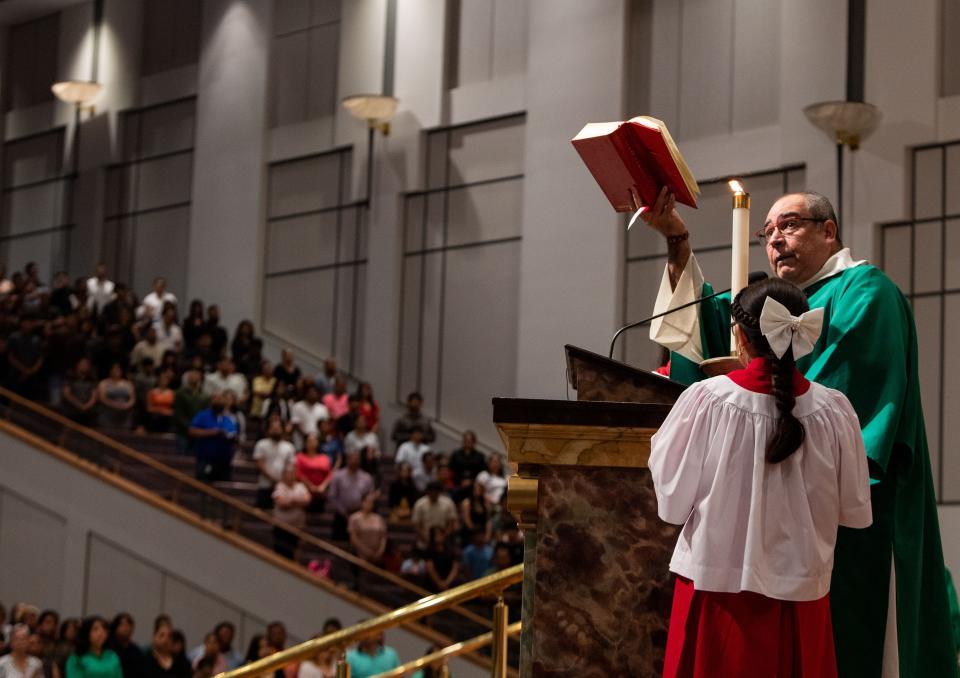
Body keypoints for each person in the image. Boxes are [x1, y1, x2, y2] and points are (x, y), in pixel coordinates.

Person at [642, 188, 959, 677]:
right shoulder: (773, 305)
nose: (775, 241)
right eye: (766, 233)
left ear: (827, 231)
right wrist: (678, 245)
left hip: (842, 526)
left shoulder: (865, 292)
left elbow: (836, 402)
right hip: (774, 526)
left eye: (788, 225)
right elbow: (708, 323)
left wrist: (746, 386)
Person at [649, 277, 874, 677]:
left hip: (717, 593)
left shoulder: (707, 400)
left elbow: (671, 502)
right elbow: (853, 509)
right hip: (801, 596)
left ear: (740, 337)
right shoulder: (835, 411)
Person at [190, 392, 238, 483]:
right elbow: (192, 431)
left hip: (224, 460)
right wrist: (212, 432)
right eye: (216, 399)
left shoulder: (228, 418)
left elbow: (234, 434)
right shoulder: (203, 415)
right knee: (203, 484)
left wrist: (231, 437)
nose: (219, 401)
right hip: (205, 458)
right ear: (211, 400)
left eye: (221, 399)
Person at [327, 450, 375, 541]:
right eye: (352, 459)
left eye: (357, 460)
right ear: (347, 460)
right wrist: (343, 511)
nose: (354, 462)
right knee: (339, 543)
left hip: (361, 515)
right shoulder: (338, 476)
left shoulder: (366, 477)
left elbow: (370, 495)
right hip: (342, 515)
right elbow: (332, 496)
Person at [253, 419, 297, 509]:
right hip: (265, 484)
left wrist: (282, 480)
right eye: (273, 428)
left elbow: (291, 466)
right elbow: (259, 464)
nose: (275, 430)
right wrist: (273, 479)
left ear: (282, 429)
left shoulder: (289, 446)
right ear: (269, 429)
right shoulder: (261, 444)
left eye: (278, 428)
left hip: (283, 486)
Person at [272, 464, 311, 559]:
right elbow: (282, 503)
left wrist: (291, 501)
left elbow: (307, 500)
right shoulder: (279, 486)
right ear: (284, 475)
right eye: (289, 473)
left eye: (293, 473)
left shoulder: (301, 486)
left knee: (293, 554)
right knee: (280, 554)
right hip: (281, 527)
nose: (291, 475)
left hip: (297, 527)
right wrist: (297, 502)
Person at [412, 480, 459, 551]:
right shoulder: (420, 504)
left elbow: (452, 523)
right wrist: (424, 538)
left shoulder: (448, 503)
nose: (433, 494)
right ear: (427, 491)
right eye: (431, 491)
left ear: (439, 492)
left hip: (443, 539)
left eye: (436, 491)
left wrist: (443, 537)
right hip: (424, 539)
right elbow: (416, 524)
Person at [6, 315, 45, 399]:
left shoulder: (37, 339)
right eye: (25, 322)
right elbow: (10, 356)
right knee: (11, 395)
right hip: (15, 372)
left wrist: (32, 370)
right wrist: (24, 370)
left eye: (30, 323)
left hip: (32, 374)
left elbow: (40, 357)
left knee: (29, 398)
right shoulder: (14, 337)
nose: (27, 325)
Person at [173, 370, 209, 455]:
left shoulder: (204, 396)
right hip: (183, 431)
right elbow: (178, 413)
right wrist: (189, 427)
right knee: (181, 457)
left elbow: (205, 413)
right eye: (192, 374)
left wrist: (199, 428)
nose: (194, 376)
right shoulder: (180, 393)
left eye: (196, 374)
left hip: (199, 432)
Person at [296, 433, 333, 511]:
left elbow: (329, 474)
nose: (312, 443)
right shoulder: (300, 457)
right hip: (305, 493)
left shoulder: (324, 457)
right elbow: (299, 473)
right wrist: (310, 486)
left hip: (322, 493)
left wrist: (322, 486)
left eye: (314, 441)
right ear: (305, 443)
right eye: (309, 441)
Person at [348, 492, 387, 565]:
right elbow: (354, 538)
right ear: (362, 502)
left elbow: (383, 537)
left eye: (371, 502)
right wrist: (366, 552)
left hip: (377, 554)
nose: (369, 504)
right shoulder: (354, 518)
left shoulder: (378, 518)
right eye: (367, 502)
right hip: (360, 554)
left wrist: (380, 551)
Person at [448, 431, 487, 500]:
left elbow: (482, 473)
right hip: (457, 483)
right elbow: (451, 470)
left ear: (474, 442)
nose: (468, 442)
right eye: (466, 440)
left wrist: (471, 481)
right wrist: (460, 481)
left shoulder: (480, 456)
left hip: (474, 484)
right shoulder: (456, 454)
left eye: (470, 441)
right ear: (463, 441)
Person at [97, 363, 136, 429]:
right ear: (110, 371)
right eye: (114, 369)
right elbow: (102, 398)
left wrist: (126, 405)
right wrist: (114, 405)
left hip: (124, 414)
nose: (116, 371)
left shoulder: (128, 384)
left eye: (118, 369)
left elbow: (133, 399)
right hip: (108, 414)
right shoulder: (103, 383)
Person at [61, 357, 98, 427]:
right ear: (77, 364)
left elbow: (94, 396)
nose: (84, 366)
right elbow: (66, 393)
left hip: (87, 411)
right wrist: (79, 405)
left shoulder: (92, 379)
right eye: (82, 364)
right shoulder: (70, 376)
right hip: (71, 410)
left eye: (86, 364)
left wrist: (86, 406)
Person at [343, 415, 380, 481]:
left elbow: (377, 454)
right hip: (354, 463)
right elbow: (347, 453)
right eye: (359, 421)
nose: (361, 423)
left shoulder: (372, 436)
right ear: (355, 423)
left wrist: (370, 453)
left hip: (370, 464)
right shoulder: (350, 436)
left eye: (363, 421)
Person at [107, 612, 143, 678]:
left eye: (128, 625)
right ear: (115, 628)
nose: (125, 628)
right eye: (122, 625)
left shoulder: (136, 651)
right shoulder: (109, 649)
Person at [424, 527, 459, 592]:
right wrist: (439, 583)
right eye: (435, 534)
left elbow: (455, 566)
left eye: (439, 534)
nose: (438, 536)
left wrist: (447, 582)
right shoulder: (429, 550)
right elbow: (430, 567)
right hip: (434, 584)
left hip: (450, 581)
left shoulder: (450, 549)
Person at [460, 478, 491, 547]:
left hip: (482, 531)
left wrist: (487, 535)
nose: (478, 491)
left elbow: (488, 520)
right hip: (470, 532)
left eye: (480, 489)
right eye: (476, 489)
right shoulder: (466, 503)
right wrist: (476, 535)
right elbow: (467, 520)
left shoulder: (485, 503)